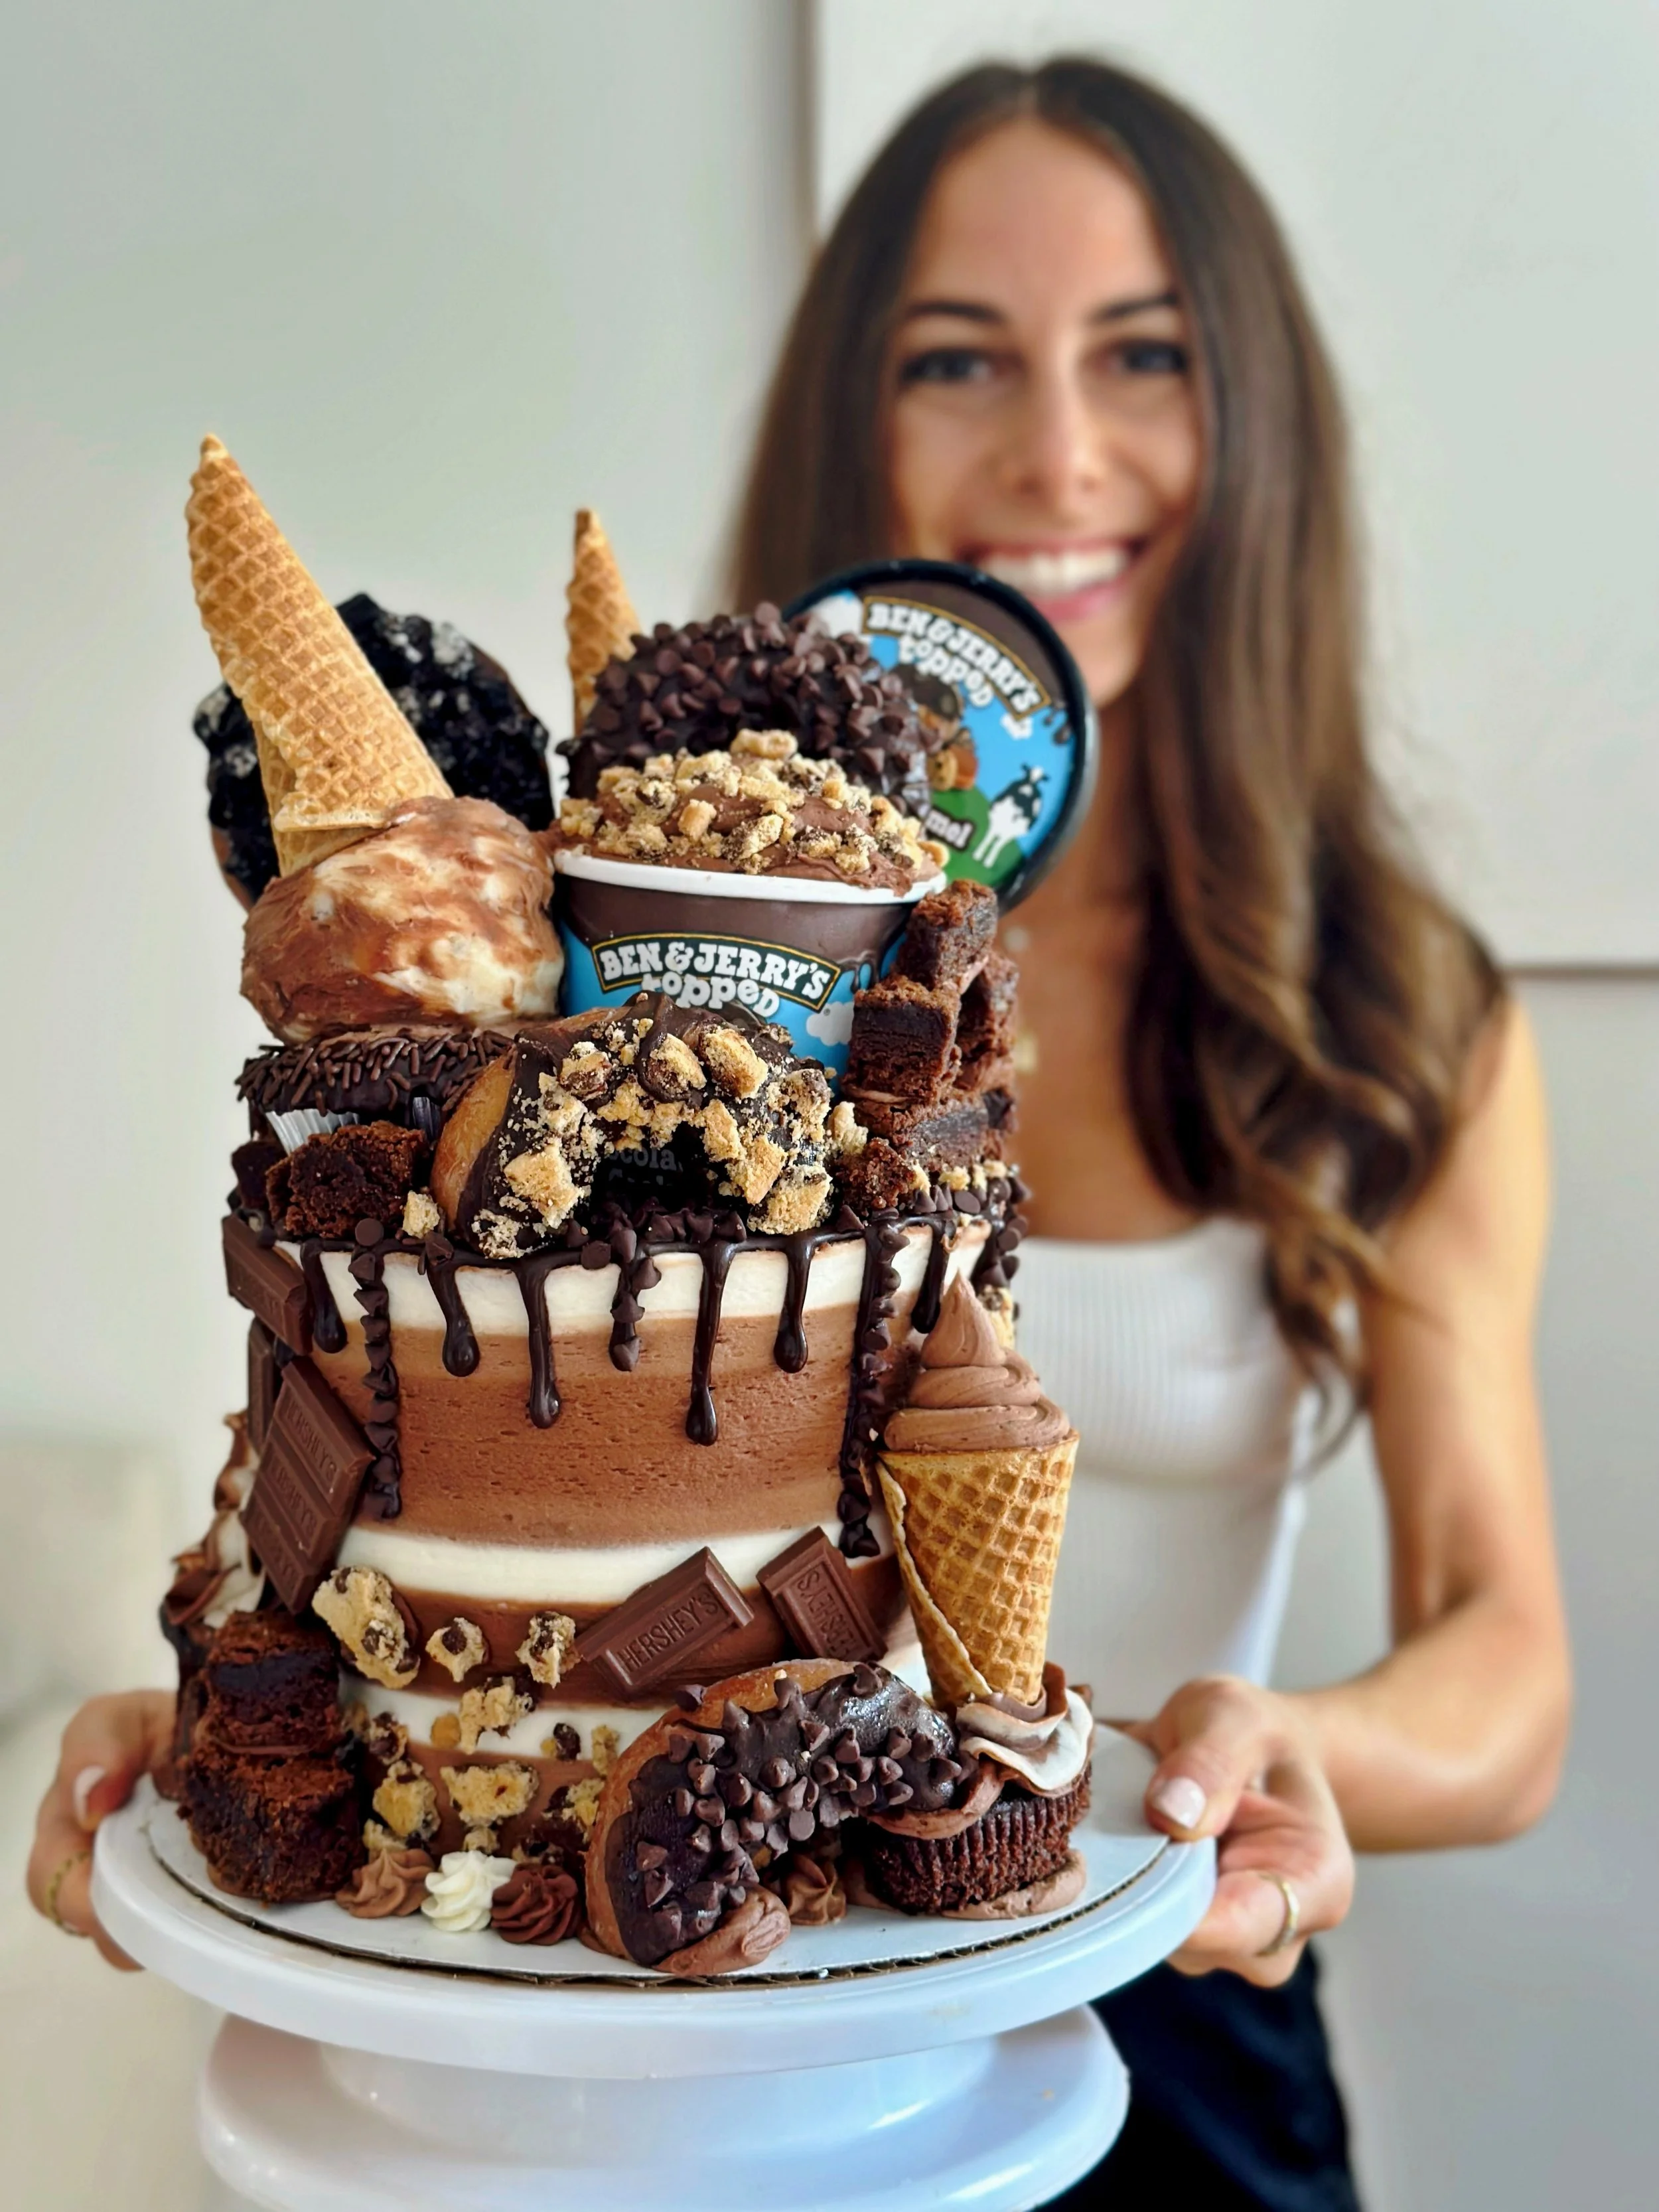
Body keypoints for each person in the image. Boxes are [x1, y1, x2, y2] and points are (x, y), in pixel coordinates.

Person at [30, 54, 1567, 2210]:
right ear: (856, 412)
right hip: (617, 2038)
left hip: (1156, 1984)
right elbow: (423, 1462)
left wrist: (1279, 1738)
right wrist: (272, 1723)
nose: (1055, 450)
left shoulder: (1395, 1019)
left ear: (1262, 431)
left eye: (1144, 356)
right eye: (961, 358)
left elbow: (1509, 1659)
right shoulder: (599, 945)